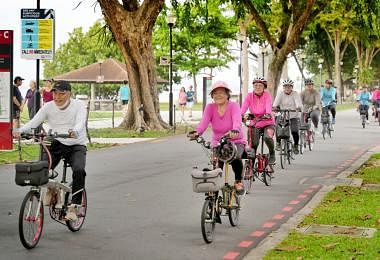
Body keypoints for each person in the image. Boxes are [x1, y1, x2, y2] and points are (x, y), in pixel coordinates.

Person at [13, 81, 87, 221]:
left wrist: (75, 131)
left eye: (61, 94)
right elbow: (34, 122)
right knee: (42, 168)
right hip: (56, 141)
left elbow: (80, 122)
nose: (57, 97)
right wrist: (20, 131)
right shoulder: (48, 106)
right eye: (55, 93)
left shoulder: (78, 105)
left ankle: (74, 206)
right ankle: (52, 190)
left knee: (79, 170)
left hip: (76, 143)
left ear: (69, 93)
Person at [188, 81, 246, 192]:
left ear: (227, 94)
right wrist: (197, 133)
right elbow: (203, 123)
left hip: (235, 140)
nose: (218, 95)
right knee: (216, 164)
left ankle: (238, 181)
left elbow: (237, 121)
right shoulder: (210, 107)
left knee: (235, 157)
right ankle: (214, 192)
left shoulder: (234, 106)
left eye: (221, 93)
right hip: (218, 142)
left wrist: (235, 130)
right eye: (215, 93)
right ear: (212, 96)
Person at [241, 77, 276, 165]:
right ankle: (251, 162)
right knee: (253, 143)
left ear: (264, 87)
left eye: (260, 85)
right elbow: (243, 108)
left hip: (268, 122)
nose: (257, 87)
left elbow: (268, 106)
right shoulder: (249, 96)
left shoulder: (267, 95)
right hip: (255, 123)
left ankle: (272, 153)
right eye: (255, 85)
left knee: (267, 137)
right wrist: (239, 115)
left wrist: (268, 114)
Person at [273, 79, 303, 154]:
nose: (287, 88)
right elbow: (275, 103)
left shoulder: (295, 94)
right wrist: (275, 107)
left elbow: (298, 102)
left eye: (289, 87)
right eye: (285, 86)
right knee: (277, 127)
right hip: (282, 114)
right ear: (283, 87)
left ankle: (296, 145)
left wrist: (298, 107)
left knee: (294, 131)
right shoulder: (280, 94)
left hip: (293, 115)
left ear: (291, 87)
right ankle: (278, 142)